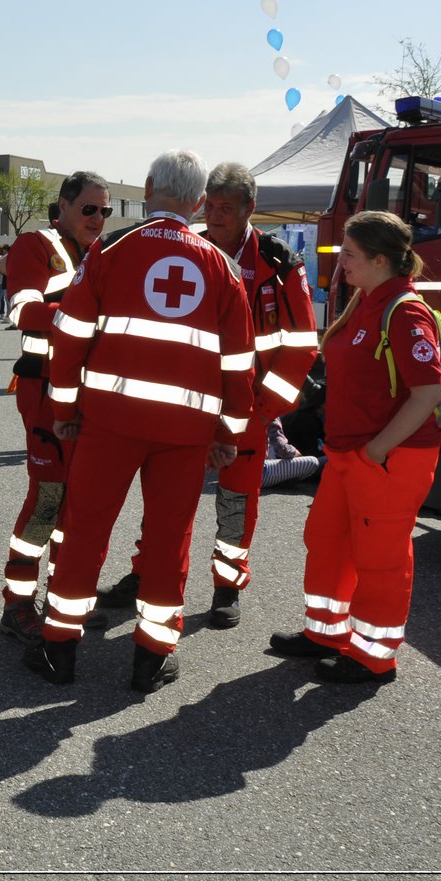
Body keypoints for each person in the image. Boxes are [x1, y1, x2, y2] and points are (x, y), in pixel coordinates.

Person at [29, 149, 253, 692]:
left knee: (85, 531)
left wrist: (62, 411)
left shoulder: (111, 250)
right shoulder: (222, 268)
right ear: (200, 202)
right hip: (187, 433)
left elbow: (71, 337)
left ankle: (59, 648)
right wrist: (230, 434)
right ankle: (152, 655)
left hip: (109, 423)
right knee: (168, 538)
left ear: (149, 187)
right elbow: (239, 364)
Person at [101, 163, 319, 628]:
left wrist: (262, 410)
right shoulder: (187, 250)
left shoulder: (279, 264)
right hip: (186, 405)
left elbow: (302, 345)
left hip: (248, 409)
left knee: (237, 500)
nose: (215, 217)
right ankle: (145, 574)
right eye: (211, 207)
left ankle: (227, 584)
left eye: (226, 209)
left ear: (249, 211)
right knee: (165, 500)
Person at [268, 211, 441, 685]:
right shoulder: (367, 300)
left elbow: (429, 393)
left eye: (349, 253)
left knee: (380, 559)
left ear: (380, 259)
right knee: (327, 543)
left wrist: (377, 451)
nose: (340, 260)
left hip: (386, 459)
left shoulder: (404, 310)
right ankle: (325, 633)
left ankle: (374, 657)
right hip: (351, 456)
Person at [0, 172, 111, 644]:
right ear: (62, 206)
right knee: (47, 500)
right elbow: (21, 310)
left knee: (77, 503)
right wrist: (79, 317)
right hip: (43, 391)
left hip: (88, 395)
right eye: (89, 209)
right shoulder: (34, 244)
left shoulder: (101, 252)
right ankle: (17, 602)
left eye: (104, 211)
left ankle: (64, 594)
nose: (98, 219)